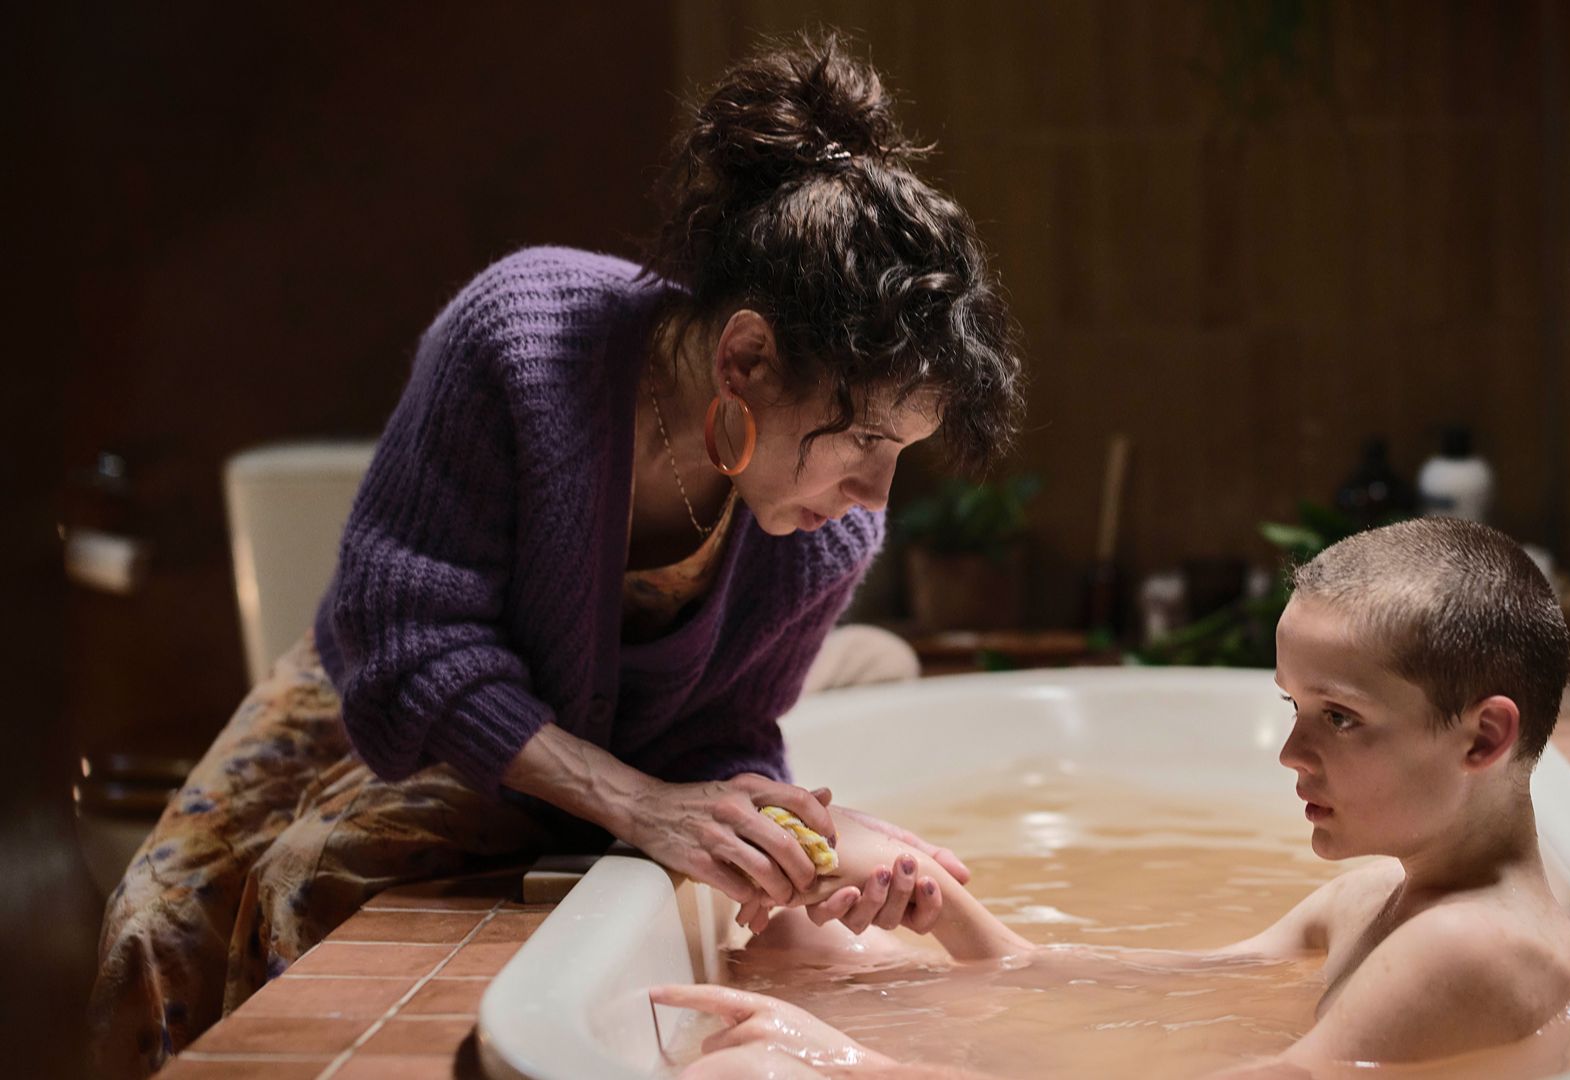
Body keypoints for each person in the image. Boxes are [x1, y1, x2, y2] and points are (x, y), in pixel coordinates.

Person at [89, 32, 1022, 1078]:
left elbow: (722, 729)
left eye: (900, 456)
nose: (872, 496)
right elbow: (406, 644)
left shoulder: (827, 532)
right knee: (157, 918)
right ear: (746, 357)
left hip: (593, 740)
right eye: (862, 443)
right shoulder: (524, 342)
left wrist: (800, 850)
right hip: (408, 667)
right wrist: (637, 804)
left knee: (314, 872)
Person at [660, 517, 1570, 1077]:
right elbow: (1134, 983)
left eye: (1339, 719)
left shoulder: (1470, 946)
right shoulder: (1381, 896)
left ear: (1483, 737)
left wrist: (855, 1066)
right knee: (803, 943)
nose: (1292, 753)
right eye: (1292, 709)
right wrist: (941, 911)